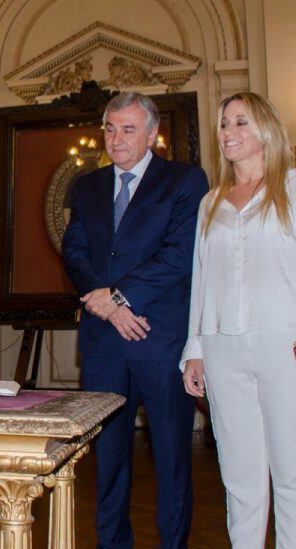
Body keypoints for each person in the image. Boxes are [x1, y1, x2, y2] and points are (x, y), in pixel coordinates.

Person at [62, 92, 208, 548]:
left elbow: (180, 255)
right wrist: (105, 304)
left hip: (160, 339)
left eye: (128, 129)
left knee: (170, 456)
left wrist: (121, 298)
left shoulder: (185, 181)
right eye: (110, 128)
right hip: (104, 341)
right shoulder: (86, 186)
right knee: (108, 459)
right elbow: (75, 251)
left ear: (151, 135)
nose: (116, 138)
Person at [181, 92, 296, 548]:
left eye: (240, 122)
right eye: (224, 124)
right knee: (240, 477)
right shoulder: (211, 203)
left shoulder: (291, 188)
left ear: (265, 130)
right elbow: (201, 280)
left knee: (290, 472)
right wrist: (196, 350)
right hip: (222, 348)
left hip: (283, 343)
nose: (228, 132)